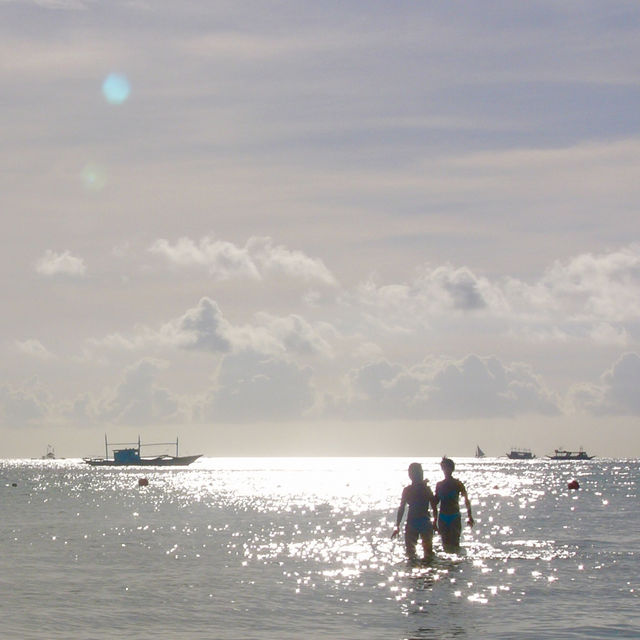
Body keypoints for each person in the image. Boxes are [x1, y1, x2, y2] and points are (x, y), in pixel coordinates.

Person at [391, 462, 438, 560]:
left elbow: (402, 508)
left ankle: (413, 572)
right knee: (426, 553)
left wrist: (397, 526)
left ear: (410, 475)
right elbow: (434, 505)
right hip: (421, 522)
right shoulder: (424, 488)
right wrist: (435, 522)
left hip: (415, 522)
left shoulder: (411, 489)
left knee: (412, 553)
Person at [435, 457, 474, 552]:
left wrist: (470, 516)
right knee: (445, 544)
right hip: (443, 516)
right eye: (443, 468)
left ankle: (455, 563)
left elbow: (466, 500)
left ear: (452, 469)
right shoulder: (439, 485)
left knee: (455, 543)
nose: (445, 470)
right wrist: (434, 520)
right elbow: (435, 502)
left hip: (454, 516)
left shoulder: (458, 484)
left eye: (447, 468)